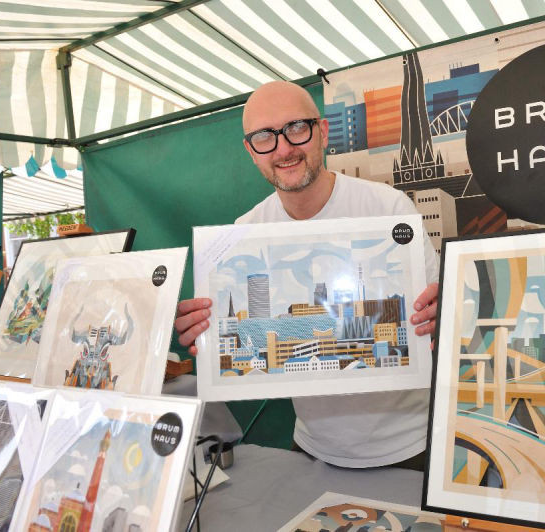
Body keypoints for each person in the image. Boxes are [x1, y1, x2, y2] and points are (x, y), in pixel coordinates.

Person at [175, 81, 439, 468]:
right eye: (264, 136)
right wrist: (207, 333)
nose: (283, 149)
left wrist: (440, 313)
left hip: (411, 446)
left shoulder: (388, 208)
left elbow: (441, 313)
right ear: (250, 151)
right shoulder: (243, 234)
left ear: (323, 132)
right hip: (313, 449)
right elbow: (246, 342)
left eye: (297, 127)